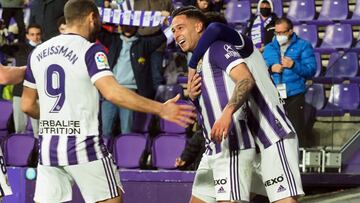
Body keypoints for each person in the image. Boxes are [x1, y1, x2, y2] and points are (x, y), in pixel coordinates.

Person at [21, 1, 196, 203]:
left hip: (49, 147)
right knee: (111, 199)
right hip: (83, 145)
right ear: (92, 18)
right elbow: (112, 92)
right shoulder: (90, 51)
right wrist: (161, 109)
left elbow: (27, 105)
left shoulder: (38, 52)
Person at [187, 21, 305, 203]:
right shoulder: (219, 61)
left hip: (273, 132)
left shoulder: (243, 48)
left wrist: (192, 64)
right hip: (251, 139)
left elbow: (215, 29)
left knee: (284, 199)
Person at [172, 6, 257, 203]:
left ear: (199, 26)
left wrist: (228, 113)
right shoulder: (198, 61)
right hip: (212, 150)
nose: (176, 34)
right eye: (174, 30)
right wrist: (192, 96)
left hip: (232, 145)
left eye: (180, 28)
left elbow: (245, 79)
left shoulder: (218, 48)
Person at [263, 17, 316, 147]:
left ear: (290, 31)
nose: (279, 35)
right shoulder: (269, 48)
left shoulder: (303, 46)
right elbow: (259, 70)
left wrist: (293, 65)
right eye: (277, 32)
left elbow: (311, 70)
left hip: (295, 94)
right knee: (274, 132)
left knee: (296, 130)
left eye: (282, 32)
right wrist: (270, 69)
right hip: (274, 95)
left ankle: (298, 162)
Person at [1, 24, 42, 137]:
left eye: (38, 34)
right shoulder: (19, 47)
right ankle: (21, 153)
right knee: (19, 129)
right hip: (19, 92)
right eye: (32, 34)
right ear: (27, 35)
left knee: (39, 131)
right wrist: (3, 32)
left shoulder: (46, 49)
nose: (35, 37)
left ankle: (38, 154)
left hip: (38, 93)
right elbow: (3, 47)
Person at [134, 0, 173, 91]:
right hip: (140, 41)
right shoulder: (135, 1)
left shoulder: (166, 1)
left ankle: (159, 102)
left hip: (158, 42)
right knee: (140, 74)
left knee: (156, 77)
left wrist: (168, 17)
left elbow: (173, 19)